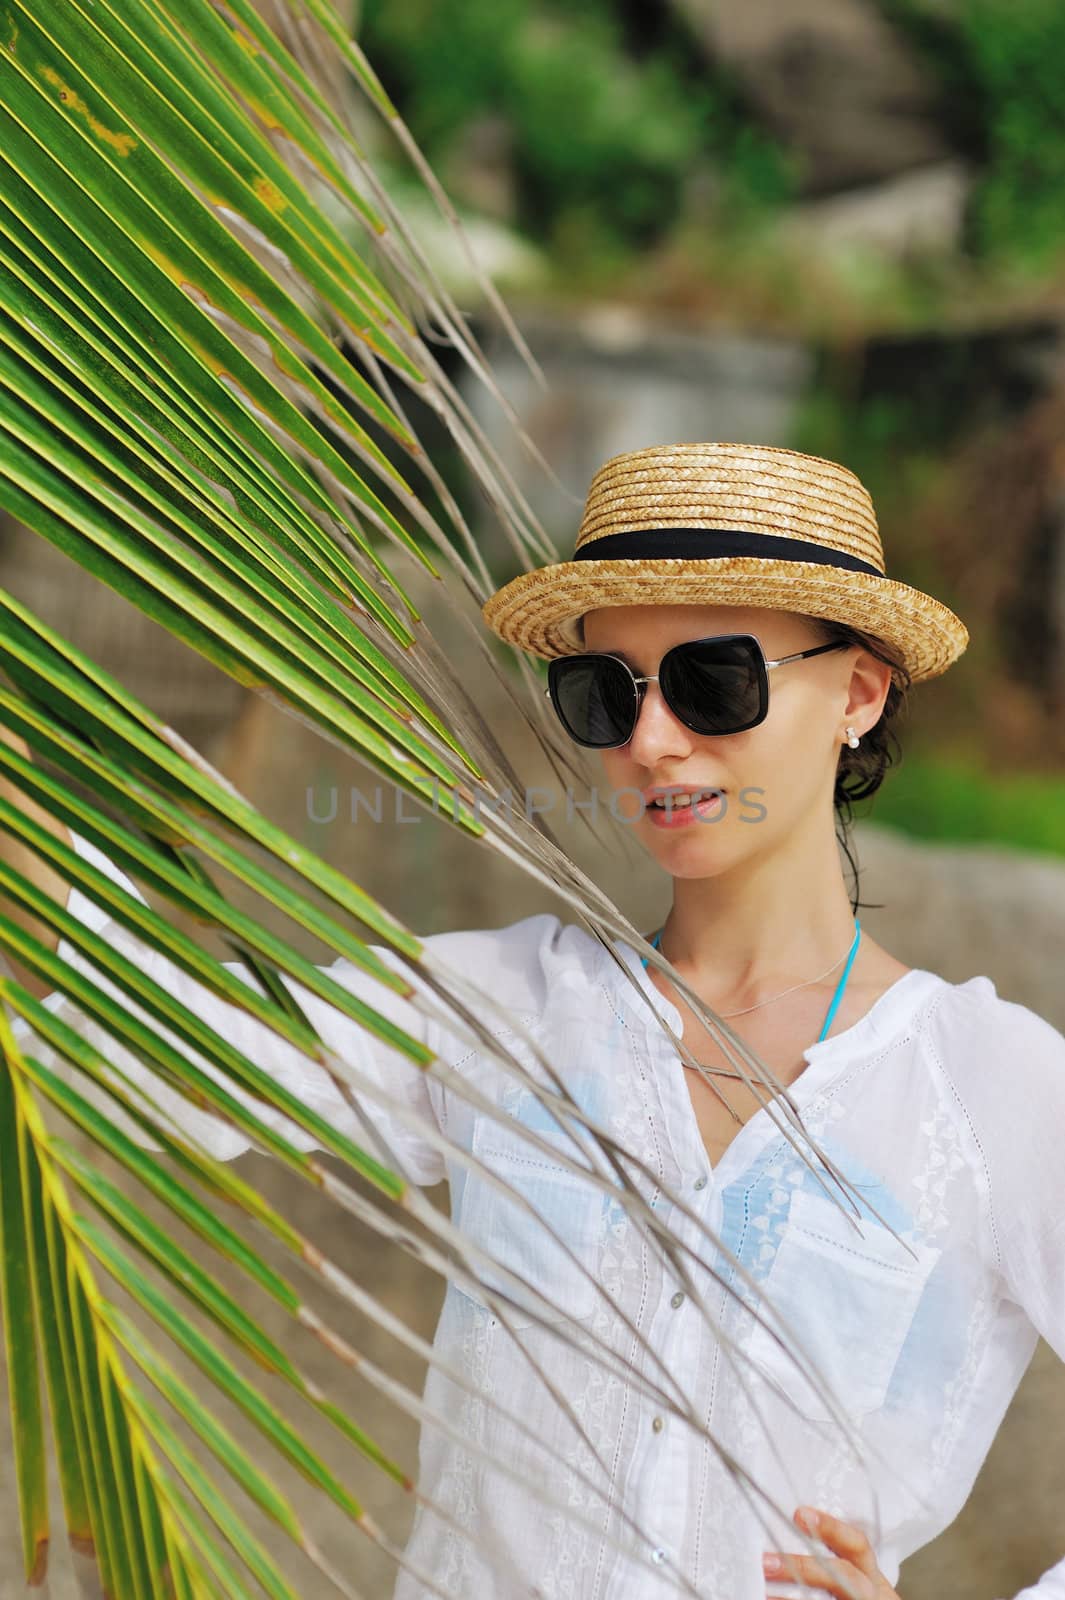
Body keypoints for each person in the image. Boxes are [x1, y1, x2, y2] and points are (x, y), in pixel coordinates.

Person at [3, 441, 1063, 1600]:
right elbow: (170, 1066)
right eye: (608, 693)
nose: (652, 740)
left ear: (856, 691)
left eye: (715, 680)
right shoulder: (501, 1009)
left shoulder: (988, 1088)